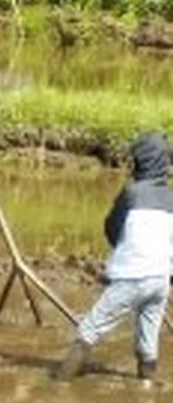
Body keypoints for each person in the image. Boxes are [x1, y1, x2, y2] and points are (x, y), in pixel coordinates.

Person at [56, 131, 173, 381]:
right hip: (161, 278)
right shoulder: (170, 199)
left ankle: (57, 385)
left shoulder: (131, 193)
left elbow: (111, 229)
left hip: (132, 276)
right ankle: (146, 386)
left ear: (139, 162)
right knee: (148, 341)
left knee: (88, 331)